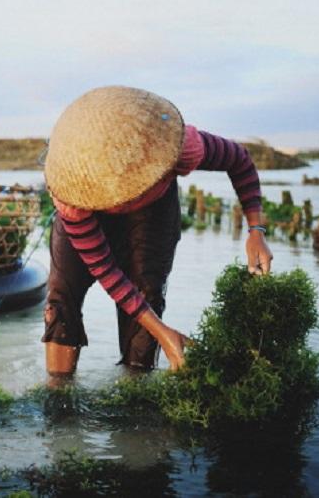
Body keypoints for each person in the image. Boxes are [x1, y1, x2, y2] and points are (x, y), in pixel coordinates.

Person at [42, 85, 273, 375]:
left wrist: (256, 231)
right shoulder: (72, 197)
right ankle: (58, 400)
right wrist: (164, 332)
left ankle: (135, 392)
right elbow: (106, 271)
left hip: (153, 214)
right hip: (87, 213)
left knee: (147, 291)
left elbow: (240, 160)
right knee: (61, 300)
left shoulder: (178, 147)